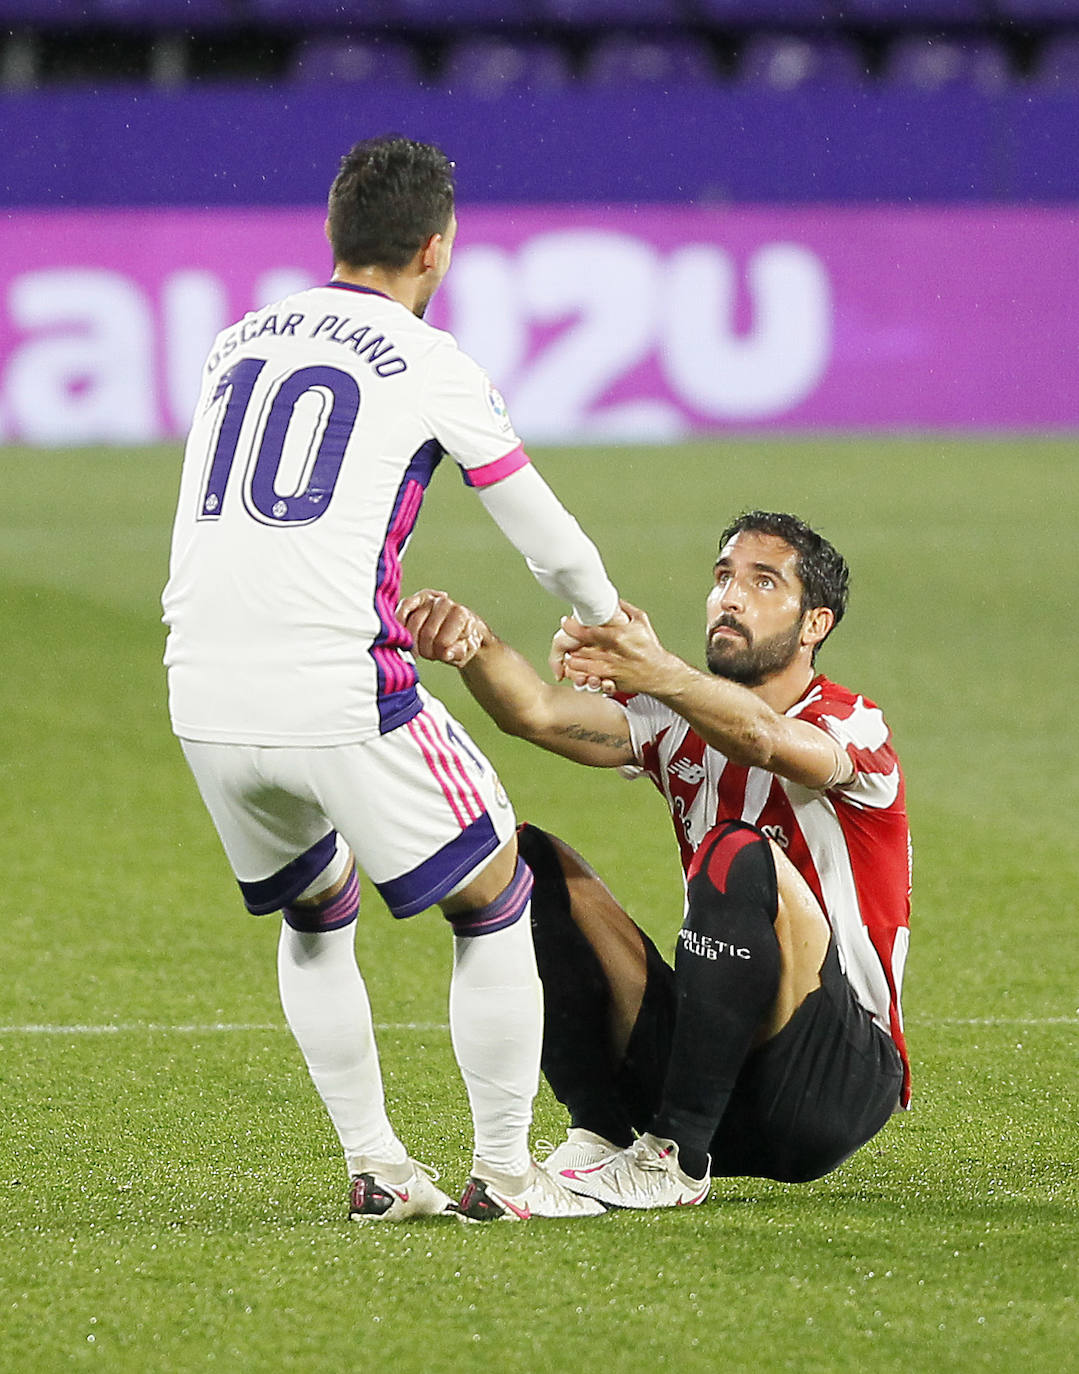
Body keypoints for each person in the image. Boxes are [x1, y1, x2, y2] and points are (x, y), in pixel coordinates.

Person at [161, 134, 622, 1223]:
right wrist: (608, 621)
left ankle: (375, 1167)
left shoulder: (236, 340)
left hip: (201, 689)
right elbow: (541, 532)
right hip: (336, 685)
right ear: (434, 248)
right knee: (494, 889)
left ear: (334, 235)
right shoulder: (429, 358)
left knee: (316, 918)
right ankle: (507, 1176)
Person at [399, 510, 911, 1210]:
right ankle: (601, 1132)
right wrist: (472, 644)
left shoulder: (851, 725)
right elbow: (538, 713)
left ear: (813, 624)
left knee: (736, 852)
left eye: (763, 582)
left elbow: (763, 739)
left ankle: (674, 1157)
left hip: (828, 1084)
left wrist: (657, 670)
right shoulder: (675, 726)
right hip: (708, 1076)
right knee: (518, 857)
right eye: (723, 577)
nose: (730, 597)